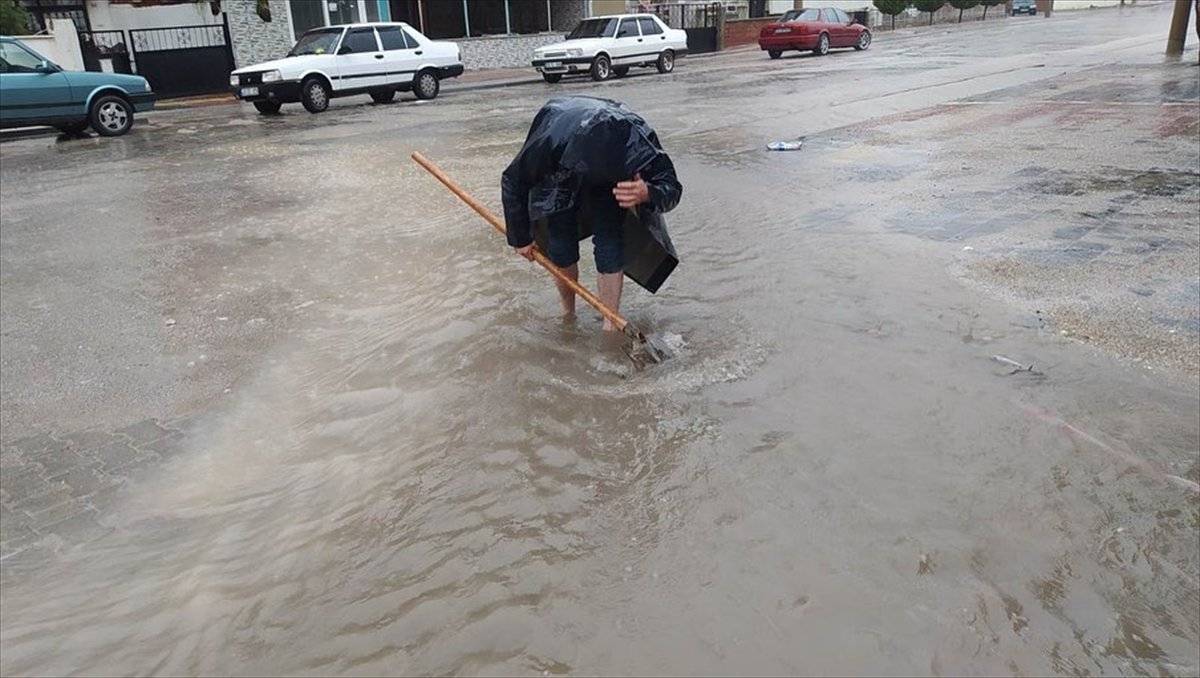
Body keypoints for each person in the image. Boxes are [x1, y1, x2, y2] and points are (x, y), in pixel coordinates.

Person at [501, 97, 682, 331]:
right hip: (562, 174)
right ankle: (569, 312)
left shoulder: (637, 139)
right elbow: (514, 180)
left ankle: (611, 322)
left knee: (610, 242)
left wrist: (647, 192)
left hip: (611, 185)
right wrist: (520, 238)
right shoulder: (551, 139)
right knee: (560, 244)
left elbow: (672, 188)